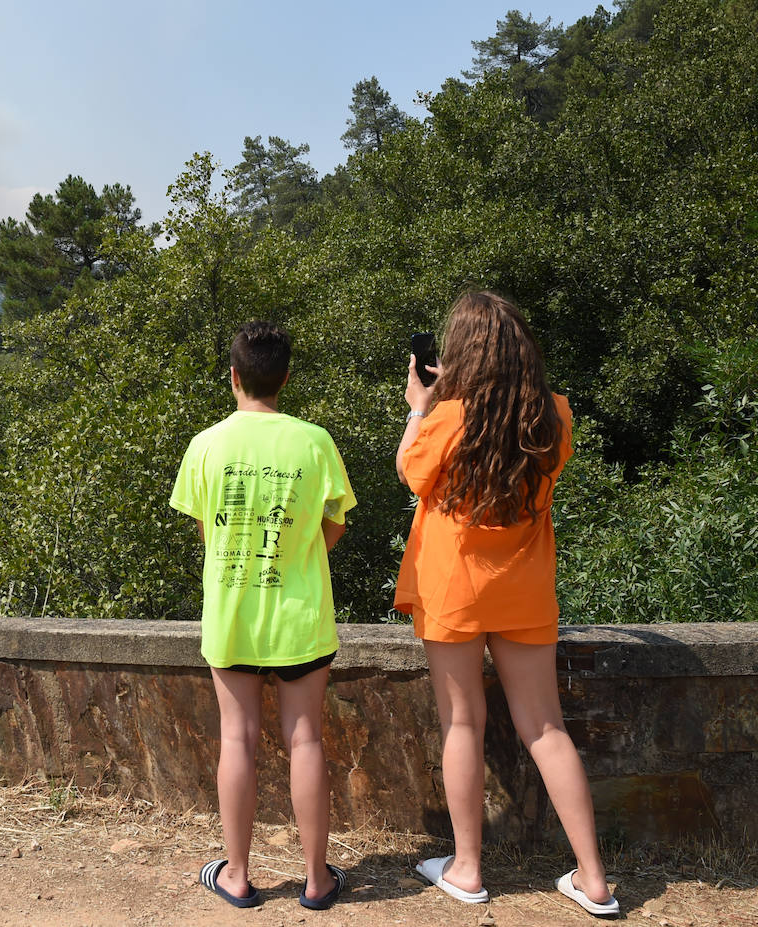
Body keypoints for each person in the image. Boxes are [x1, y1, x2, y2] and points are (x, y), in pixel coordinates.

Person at [394, 291, 620, 918]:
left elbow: (410, 473)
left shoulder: (446, 416)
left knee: (461, 724)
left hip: (453, 589)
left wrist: (421, 406)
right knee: (546, 729)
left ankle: (467, 870)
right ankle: (594, 879)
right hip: (525, 589)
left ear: (461, 353)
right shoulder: (554, 415)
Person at [170, 320, 356, 911]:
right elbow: (336, 522)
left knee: (237, 739)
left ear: (233, 377)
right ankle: (317, 880)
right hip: (300, 616)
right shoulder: (314, 441)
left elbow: (206, 531)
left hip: (232, 616)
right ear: (286, 377)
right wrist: (296, 556)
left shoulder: (206, 444)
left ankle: (238, 875)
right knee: (305, 741)